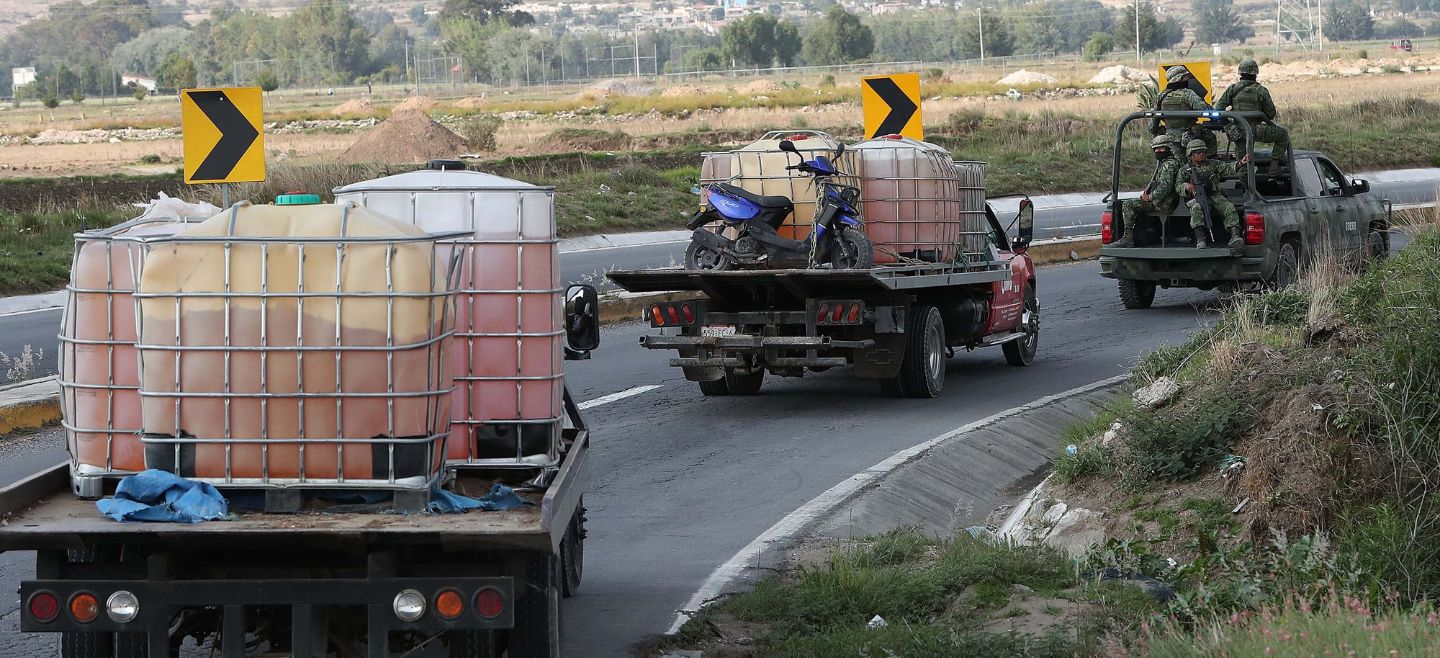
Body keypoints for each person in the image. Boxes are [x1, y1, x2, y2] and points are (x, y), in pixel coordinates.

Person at [1215, 58, 1291, 175]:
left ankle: (1247, 191)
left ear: (1240, 73)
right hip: (1257, 130)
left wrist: (1229, 126)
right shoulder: (1261, 91)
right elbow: (1271, 114)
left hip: (1239, 132)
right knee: (1283, 135)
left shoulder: (1232, 89)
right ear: (1255, 73)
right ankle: (1274, 167)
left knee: (1243, 163)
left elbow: (1218, 109)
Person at [1176, 140, 1251, 251]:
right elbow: (1178, 186)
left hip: (1214, 195)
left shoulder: (1213, 164)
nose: (1202, 154)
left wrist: (1240, 163)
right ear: (1191, 155)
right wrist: (1185, 186)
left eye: (1203, 152)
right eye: (1198, 152)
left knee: (1229, 208)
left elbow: (1227, 168)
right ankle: (1200, 239)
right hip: (1196, 197)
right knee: (1196, 209)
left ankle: (1235, 236)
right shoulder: (1184, 169)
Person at [1113, 135, 1183, 248]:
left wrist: (1149, 197)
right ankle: (1140, 238)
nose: (1158, 151)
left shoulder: (1168, 165)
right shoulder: (1167, 163)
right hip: (1164, 201)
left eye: (1161, 148)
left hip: (1164, 203)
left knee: (1128, 205)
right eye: (1156, 149)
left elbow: (1164, 188)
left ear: (1168, 148)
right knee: (1139, 211)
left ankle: (1127, 238)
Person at [1150, 65, 1217, 155]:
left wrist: (1156, 131)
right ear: (1179, 78)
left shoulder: (1161, 96)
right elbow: (1204, 109)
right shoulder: (1187, 93)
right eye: (1185, 76)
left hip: (1168, 138)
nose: (1188, 78)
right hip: (1189, 137)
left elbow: (1152, 124)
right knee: (1210, 137)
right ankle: (1210, 163)